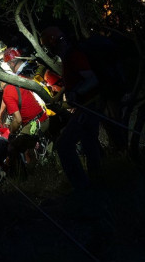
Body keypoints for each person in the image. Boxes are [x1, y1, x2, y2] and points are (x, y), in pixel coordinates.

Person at [40, 25, 102, 191]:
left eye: (47, 47)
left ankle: (82, 187)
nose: (48, 51)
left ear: (53, 44)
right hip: (86, 106)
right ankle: (97, 185)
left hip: (88, 107)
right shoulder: (68, 57)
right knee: (89, 144)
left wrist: (76, 93)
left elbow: (93, 79)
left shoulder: (73, 56)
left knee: (64, 145)